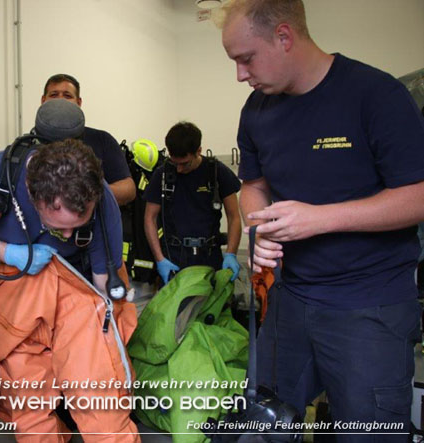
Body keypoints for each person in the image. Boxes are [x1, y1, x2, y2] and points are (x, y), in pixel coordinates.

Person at [221, 0, 424, 440]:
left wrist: (320, 219)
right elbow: (252, 184)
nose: (240, 74)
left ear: (284, 36)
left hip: (369, 306)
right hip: (291, 300)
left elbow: (418, 196)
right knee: (262, 424)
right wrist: (258, 227)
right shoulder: (257, 110)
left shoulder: (376, 95)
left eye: (246, 58)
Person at [0, 99, 139, 441]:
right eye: (57, 226)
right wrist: (6, 251)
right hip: (12, 293)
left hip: (74, 291)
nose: (68, 235)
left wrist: (112, 312)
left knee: (101, 400)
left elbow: (103, 280)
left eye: (78, 226)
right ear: (32, 195)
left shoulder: (102, 200)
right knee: (30, 410)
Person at [143, 122, 242, 285]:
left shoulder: (217, 172)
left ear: (199, 151)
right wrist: (160, 259)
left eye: (185, 163)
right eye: (175, 163)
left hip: (210, 258)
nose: (179, 169)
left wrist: (231, 253)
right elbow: (149, 218)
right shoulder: (162, 175)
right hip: (174, 259)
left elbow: (234, 216)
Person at [41, 73, 136, 206]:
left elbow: (128, 190)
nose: (60, 101)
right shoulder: (28, 145)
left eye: (67, 96)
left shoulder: (102, 140)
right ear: (43, 100)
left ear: (79, 102)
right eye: (54, 95)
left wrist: (87, 191)